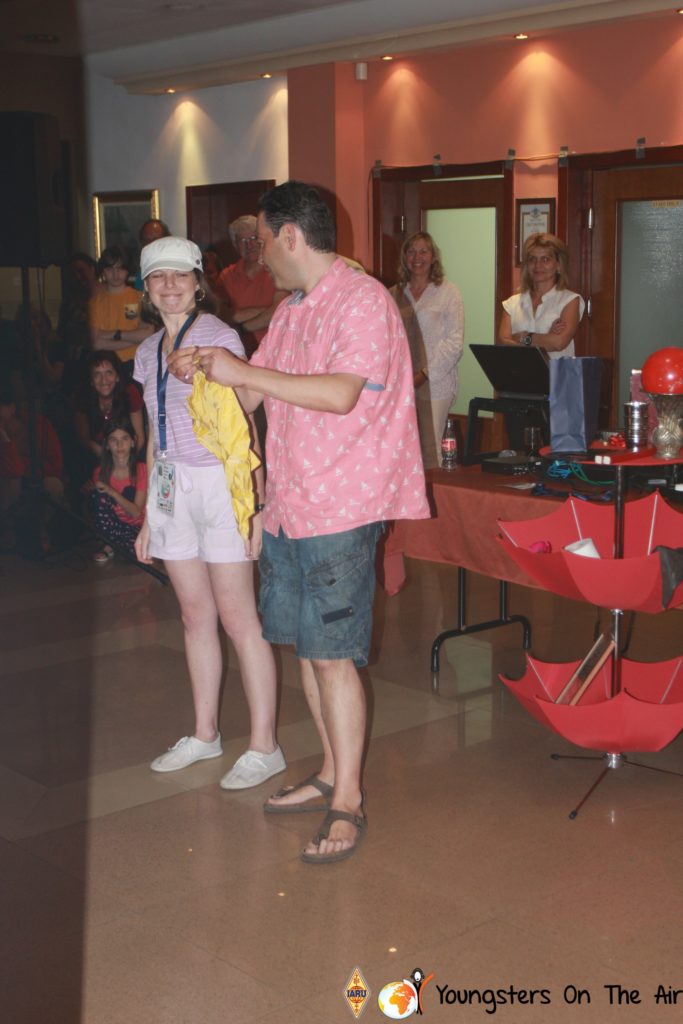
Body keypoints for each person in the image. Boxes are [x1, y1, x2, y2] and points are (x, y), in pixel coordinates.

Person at [169, 182, 429, 864]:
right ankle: (329, 771)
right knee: (310, 650)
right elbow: (255, 393)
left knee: (333, 655)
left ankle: (348, 797)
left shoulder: (363, 301)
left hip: (341, 507)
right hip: (291, 503)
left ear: (290, 236)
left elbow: (340, 394)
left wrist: (242, 372)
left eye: (261, 239)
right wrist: (209, 372)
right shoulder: (292, 309)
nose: (256, 254)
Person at [133, 235, 284, 790]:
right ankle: (205, 734)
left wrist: (255, 503)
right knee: (194, 617)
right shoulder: (146, 352)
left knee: (239, 619)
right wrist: (149, 513)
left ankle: (265, 746)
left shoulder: (219, 337)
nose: (170, 285)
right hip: (173, 486)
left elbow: (247, 418)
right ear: (147, 290)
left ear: (199, 283)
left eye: (180, 275)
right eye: (158, 277)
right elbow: (155, 434)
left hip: (222, 484)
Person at [391, 232, 464, 468]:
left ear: (433, 257)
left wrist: (424, 374)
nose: (417, 257)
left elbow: (454, 343)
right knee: (401, 448)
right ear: (405, 257)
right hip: (399, 383)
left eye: (424, 251)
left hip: (435, 384)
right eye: (411, 251)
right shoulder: (394, 294)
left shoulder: (448, 292)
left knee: (430, 450)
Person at [498, 232, 585, 357]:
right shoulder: (512, 303)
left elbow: (558, 343)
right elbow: (503, 343)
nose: (538, 265)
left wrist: (522, 337)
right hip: (517, 370)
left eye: (545, 259)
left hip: (555, 370)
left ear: (558, 265)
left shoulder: (570, 300)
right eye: (532, 259)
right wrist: (547, 337)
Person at [215, 215, 288, 355]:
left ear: (262, 240)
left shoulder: (278, 269)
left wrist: (241, 328)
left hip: (276, 351)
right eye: (243, 241)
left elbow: (280, 312)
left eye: (254, 238)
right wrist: (267, 312)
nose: (249, 245)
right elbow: (221, 315)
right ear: (235, 246)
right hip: (238, 352)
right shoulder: (226, 276)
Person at [73, 351, 145, 476]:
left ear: (117, 377)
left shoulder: (130, 393)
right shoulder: (83, 397)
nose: (104, 380)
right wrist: (106, 458)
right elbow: (84, 440)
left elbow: (140, 437)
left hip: (128, 453)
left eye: (109, 373)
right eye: (97, 374)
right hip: (96, 456)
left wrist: (125, 462)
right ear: (91, 380)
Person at [89, 418, 147, 562]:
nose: (119, 445)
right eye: (114, 440)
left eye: (124, 439)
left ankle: (115, 545)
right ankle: (109, 543)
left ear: (133, 442)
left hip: (138, 527)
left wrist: (112, 492)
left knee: (137, 553)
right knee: (98, 496)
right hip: (114, 526)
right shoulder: (100, 473)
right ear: (107, 445)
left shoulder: (141, 470)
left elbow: (136, 512)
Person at [89, 245, 154, 368]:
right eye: (110, 269)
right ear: (103, 271)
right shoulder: (95, 303)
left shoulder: (139, 298)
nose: (116, 274)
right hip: (107, 367)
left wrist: (112, 334)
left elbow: (147, 335)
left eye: (120, 268)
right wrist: (134, 339)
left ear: (127, 270)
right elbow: (96, 343)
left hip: (137, 363)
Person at [133, 220, 170, 290]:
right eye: (147, 240)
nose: (151, 244)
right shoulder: (141, 275)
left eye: (156, 239)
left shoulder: (178, 267)